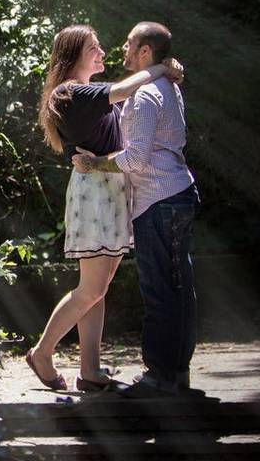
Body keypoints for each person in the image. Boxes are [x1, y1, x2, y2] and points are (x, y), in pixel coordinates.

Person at [27, 24, 183, 392]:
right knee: (91, 289)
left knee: (97, 287)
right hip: (94, 193)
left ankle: (90, 371)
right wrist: (163, 66)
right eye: (94, 48)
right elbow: (126, 88)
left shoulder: (89, 93)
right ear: (74, 54)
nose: (102, 53)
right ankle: (42, 352)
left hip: (109, 189)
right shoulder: (70, 92)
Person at [73, 21, 199, 398]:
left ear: (145, 52)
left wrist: (96, 164)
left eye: (129, 44)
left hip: (159, 201)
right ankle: (176, 372)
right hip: (176, 195)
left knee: (161, 289)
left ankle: (160, 376)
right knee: (178, 288)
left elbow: (138, 159)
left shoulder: (146, 95)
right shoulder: (168, 87)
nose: (122, 50)